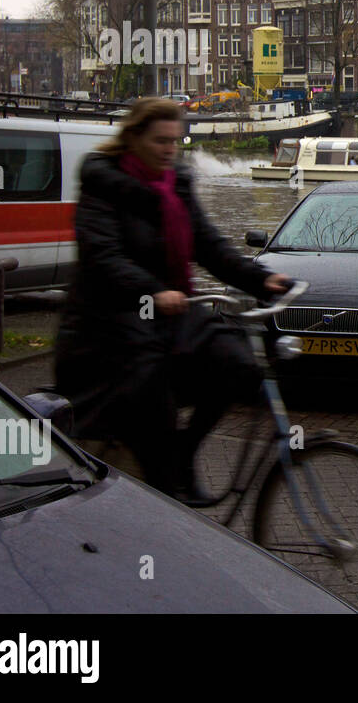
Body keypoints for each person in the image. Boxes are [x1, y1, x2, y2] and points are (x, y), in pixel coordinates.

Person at [54, 98, 289, 503]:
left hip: (170, 313)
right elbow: (103, 256)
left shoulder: (175, 182)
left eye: (175, 141)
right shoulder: (103, 183)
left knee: (237, 362)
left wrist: (263, 280)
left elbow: (209, 245)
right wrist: (153, 291)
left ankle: (185, 453)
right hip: (111, 322)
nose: (169, 149)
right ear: (134, 138)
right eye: (160, 141)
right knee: (153, 398)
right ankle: (165, 495)